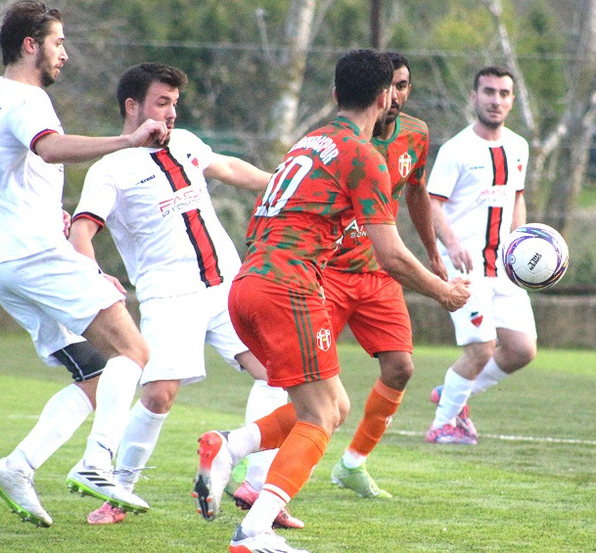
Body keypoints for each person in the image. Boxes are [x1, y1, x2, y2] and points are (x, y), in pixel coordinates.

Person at [192, 49, 470, 553]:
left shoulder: (311, 140)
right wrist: (444, 291)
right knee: (321, 416)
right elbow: (391, 256)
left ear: (335, 93)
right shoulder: (362, 155)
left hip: (248, 284)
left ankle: (229, 447)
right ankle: (255, 530)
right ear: (386, 95)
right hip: (289, 287)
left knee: (332, 405)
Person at [0, 1, 170, 527]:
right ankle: (99, 465)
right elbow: (49, 149)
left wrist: (27, 205)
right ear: (31, 45)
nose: (64, 55)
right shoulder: (28, 99)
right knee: (134, 350)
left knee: (97, 372)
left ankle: (17, 466)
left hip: (5, 263)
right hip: (38, 256)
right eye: (58, 43)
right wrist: (126, 140)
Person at [67, 62, 298, 527]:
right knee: (159, 395)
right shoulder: (111, 168)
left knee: (281, 375)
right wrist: (93, 275)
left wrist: (283, 180)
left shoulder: (186, 142)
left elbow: (228, 167)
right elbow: (81, 231)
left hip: (228, 288)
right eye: (161, 103)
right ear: (132, 107)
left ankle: (255, 486)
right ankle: (119, 492)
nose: (171, 113)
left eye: (174, 104)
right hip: (170, 297)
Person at [319, 52, 449, 498]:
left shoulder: (416, 134)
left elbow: (416, 190)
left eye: (405, 85)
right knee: (303, 375)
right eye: (391, 85)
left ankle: (352, 464)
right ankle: (250, 466)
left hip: (377, 273)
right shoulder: (344, 140)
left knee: (400, 368)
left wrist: (432, 251)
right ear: (375, 91)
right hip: (331, 272)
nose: (396, 95)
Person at [425, 65, 537, 445]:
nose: (496, 100)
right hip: (466, 268)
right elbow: (431, 202)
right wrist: (452, 245)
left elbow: (517, 197)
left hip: (503, 267)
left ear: (512, 100)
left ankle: (455, 393)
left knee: (522, 350)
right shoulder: (457, 149)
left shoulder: (519, 146)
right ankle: (443, 424)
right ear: (473, 97)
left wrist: (519, 244)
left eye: (504, 93)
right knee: (480, 348)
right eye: (488, 92)